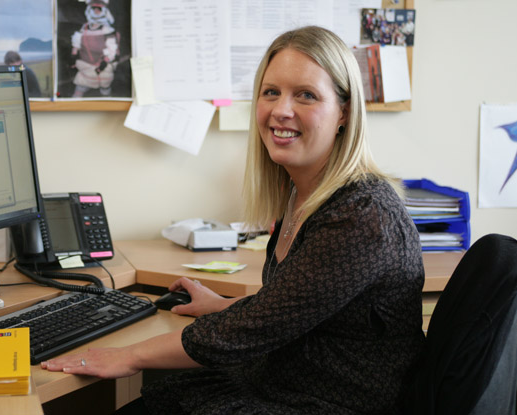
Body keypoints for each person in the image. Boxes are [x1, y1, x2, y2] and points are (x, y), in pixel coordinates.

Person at [42, 25, 425, 414]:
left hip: (327, 402)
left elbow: (255, 331)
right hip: (283, 381)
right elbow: (295, 311)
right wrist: (225, 308)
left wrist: (129, 356)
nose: (281, 110)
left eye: (306, 95)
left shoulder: (361, 216)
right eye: (271, 92)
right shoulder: (302, 193)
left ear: (344, 111)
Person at [69, 0, 120, 97]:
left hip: (102, 68)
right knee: (79, 89)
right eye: (93, 9)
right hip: (86, 66)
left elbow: (111, 50)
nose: (96, 12)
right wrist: (73, 57)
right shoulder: (84, 28)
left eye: (99, 9)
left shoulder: (107, 30)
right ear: (89, 10)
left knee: (105, 90)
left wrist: (104, 64)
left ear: (104, 11)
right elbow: (76, 45)